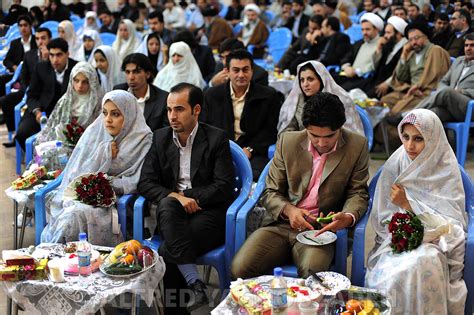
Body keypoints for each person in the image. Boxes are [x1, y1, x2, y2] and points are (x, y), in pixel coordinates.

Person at [231, 92, 369, 279]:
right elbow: (270, 191)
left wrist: (348, 216)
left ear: (340, 127)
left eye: (329, 136)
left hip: (320, 231)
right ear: (305, 128)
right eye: (314, 136)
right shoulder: (288, 142)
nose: (321, 143)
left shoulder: (357, 146)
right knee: (240, 268)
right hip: (281, 225)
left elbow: (358, 193)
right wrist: (289, 210)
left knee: (314, 275)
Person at [137, 83, 234, 312]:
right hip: (172, 212)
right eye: (169, 110)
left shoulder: (216, 138)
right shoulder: (160, 138)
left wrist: (188, 197)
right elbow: (146, 183)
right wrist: (177, 198)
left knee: (167, 250)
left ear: (196, 110)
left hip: (208, 212)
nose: (172, 116)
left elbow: (224, 186)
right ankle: (195, 283)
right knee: (169, 205)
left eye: (179, 109)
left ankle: (182, 301)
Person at [365, 109, 467, 314]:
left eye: (418, 139)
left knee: (422, 265)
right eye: (406, 137)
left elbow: (452, 224)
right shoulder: (397, 162)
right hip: (396, 241)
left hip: (435, 244)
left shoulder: (446, 168)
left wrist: (408, 205)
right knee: (391, 275)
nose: (410, 146)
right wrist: (402, 230)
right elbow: (383, 216)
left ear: (432, 138)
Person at [41, 90, 153, 246]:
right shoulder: (95, 132)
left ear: (129, 115)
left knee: (75, 215)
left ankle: (79, 260)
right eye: (105, 113)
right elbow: (77, 173)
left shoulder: (142, 139)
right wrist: (104, 155)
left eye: (115, 114)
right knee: (71, 215)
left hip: (118, 201)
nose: (108, 120)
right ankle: (60, 260)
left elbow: (138, 180)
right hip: (85, 195)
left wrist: (106, 186)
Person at [202, 49, 283, 180]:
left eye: (245, 70)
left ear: (252, 71)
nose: (241, 75)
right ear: (227, 71)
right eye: (236, 70)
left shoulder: (268, 96)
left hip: (253, 151)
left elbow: (270, 131)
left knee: (256, 177)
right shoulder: (212, 95)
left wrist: (250, 149)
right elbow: (206, 127)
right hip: (220, 150)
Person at [380, 22, 450, 135]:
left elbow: (436, 75)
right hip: (410, 91)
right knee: (382, 105)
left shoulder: (435, 50)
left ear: (426, 36)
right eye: (410, 39)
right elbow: (401, 77)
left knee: (396, 111)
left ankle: (406, 140)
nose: (414, 42)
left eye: (416, 38)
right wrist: (403, 55)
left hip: (425, 93)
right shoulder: (411, 54)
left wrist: (420, 86)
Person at [16, 38, 78, 150]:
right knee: (22, 133)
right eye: (51, 55)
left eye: (59, 55)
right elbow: (31, 94)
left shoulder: (76, 68)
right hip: (43, 111)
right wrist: (37, 112)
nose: (55, 60)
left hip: (67, 115)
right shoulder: (41, 67)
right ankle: (38, 160)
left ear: (67, 54)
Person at [279, 60, 364, 135]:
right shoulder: (297, 100)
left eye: (310, 79)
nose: (305, 84)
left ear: (322, 79)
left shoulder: (342, 100)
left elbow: (349, 134)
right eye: (302, 80)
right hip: (302, 147)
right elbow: (288, 129)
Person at [1, 27, 51, 147]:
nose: (40, 41)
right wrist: (27, 89)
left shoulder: (54, 56)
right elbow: (23, 77)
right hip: (29, 92)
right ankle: (13, 132)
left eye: (43, 38)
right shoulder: (29, 55)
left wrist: (46, 60)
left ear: (50, 39)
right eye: (37, 38)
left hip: (48, 96)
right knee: (5, 101)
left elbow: (51, 82)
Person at [34, 62, 103, 148]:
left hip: (90, 145)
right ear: (71, 80)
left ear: (92, 82)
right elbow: (55, 123)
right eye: (76, 81)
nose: (79, 86)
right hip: (64, 143)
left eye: (85, 82)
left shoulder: (97, 102)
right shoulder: (66, 100)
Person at [416, 34, 474, 123]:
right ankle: (410, 120)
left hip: (469, 107)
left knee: (446, 92)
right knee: (429, 114)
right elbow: (444, 81)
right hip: (451, 106)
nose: (468, 48)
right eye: (466, 45)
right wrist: (447, 90)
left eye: (472, 45)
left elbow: (448, 91)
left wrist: (461, 92)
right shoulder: (459, 61)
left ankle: (407, 114)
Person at [115, 53, 169, 132]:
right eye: (127, 72)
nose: (131, 77)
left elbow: (165, 133)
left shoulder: (162, 98)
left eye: (136, 72)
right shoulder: (118, 92)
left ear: (147, 74)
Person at [359, 16, 408, 99]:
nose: (385, 36)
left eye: (388, 33)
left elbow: (400, 71)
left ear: (399, 34)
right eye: (385, 32)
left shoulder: (406, 49)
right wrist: (378, 48)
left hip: (390, 86)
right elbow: (375, 67)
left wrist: (388, 83)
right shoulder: (389, 45)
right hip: (376, 82)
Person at [334, 12, 384, 91]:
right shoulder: (359, 43)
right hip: (348, 74)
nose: (364, 33)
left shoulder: (381, 45)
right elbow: (346, 57)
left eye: (367, 29)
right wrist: (347, 67)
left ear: (376, 30)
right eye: (362, 29)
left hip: (363, 79)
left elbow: (375, 67)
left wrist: (357, 71)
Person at [0, 15, 36, 97]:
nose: (23, 28)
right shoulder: (15, 43)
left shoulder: (36, 41)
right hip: (18, 73)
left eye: (25, 25)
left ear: (30, 26)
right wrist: (14, 66)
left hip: (33, 74)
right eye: (21, 26)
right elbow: (6, 60)